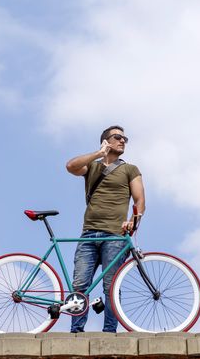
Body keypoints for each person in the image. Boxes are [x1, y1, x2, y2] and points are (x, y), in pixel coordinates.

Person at [66, 125, 145, 333]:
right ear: (106, 141)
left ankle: (110, 333)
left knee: (111, 286)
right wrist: (98, 154)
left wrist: (133, 221)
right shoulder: (92, 167)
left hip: (116, 235)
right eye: (118, 137)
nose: (123, 141)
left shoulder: (130, 169)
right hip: (89, 234)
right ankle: (76, 332)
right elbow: (71, 166)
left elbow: (140, 200)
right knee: (79, 285)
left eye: (125, 138)